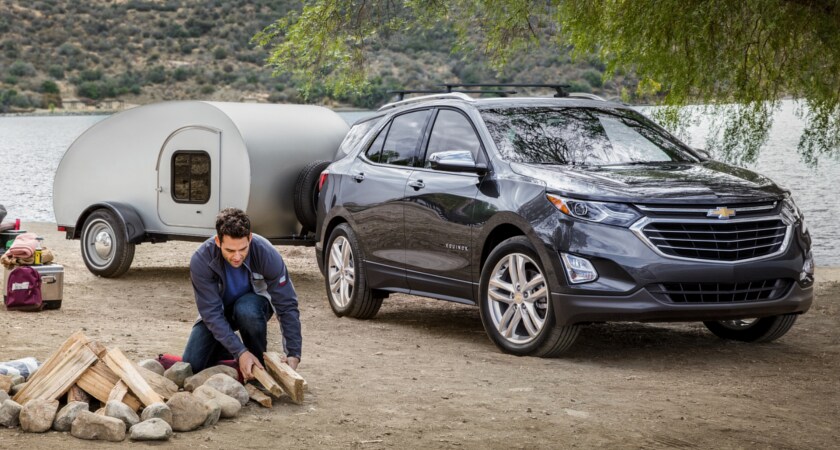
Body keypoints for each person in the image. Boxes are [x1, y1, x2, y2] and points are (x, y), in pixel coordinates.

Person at [182, 208, 301, 379]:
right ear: (218, 241)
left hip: (253, 307)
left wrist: (293, 352)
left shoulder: (266, 253)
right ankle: (236, 350)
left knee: (246, 309)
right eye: (230, 250)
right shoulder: (201, 260)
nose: (237, 256)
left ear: (250, 238)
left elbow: (286, 304)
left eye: (243, 249)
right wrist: (239, 351)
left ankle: (259, 362)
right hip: (220, 311)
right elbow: (211, 314)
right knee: (193, 364)